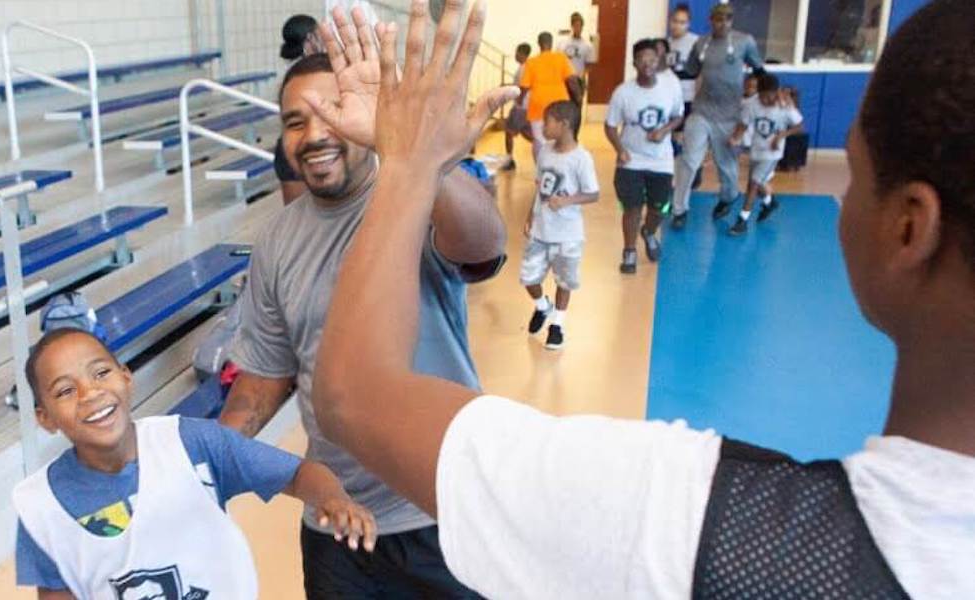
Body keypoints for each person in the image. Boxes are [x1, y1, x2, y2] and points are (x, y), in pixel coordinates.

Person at [312, 0, 974, 598]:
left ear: (909, 228)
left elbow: (354, 395)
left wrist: (408, 160)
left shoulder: (700, 530)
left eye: (855, 175)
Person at [217, 6, 507, 597]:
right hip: (337, 522)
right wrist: (203, 462)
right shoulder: (276, 240)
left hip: (439, 508)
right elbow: (266, 376)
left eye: (332, 112)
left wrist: (415, 157)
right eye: (295, 122)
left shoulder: (411, 195)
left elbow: (484, 243)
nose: (315, 134)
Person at [11, 328, 376, 599]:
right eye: (65, 390)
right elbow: (57, 593)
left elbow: (296, 473)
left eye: (101, 373)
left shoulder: (191, 443)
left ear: (126, 376)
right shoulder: (41, 508)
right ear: (45, 418)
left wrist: (333, 498)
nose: (90, 393)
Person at [670, 3, 764, 229]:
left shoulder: (744, 41)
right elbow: (690, 72)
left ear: (731, 21)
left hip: (729, 115)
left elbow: (760, 71)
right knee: (689, 161)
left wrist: (770, 95)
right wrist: (664, 72)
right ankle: (679, 210)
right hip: (701, 111)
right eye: (718, 19)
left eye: (727, 20)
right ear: (711, 20)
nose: (722, 24)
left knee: (726, 165)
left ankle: (728, 197)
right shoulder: (701, 44)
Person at [520, 100, 599, 350]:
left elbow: (593, 193)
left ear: (564, 125)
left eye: (548, 122)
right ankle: (543, 306)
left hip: (568, 234)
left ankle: (557, 325)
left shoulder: (581, 158)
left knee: (564, 281)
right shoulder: (545, 151)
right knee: (528, 278)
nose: (543, 127)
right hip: (541, 230)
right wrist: (530, 215)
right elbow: (539, 187)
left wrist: (567, 201)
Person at [606, 39, 684, 274]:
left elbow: (678, 116)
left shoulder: (670, 87)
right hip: (631, 159)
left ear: (658, 61)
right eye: (642, 59)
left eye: (652, 58)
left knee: (658, 209)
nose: (648, 63)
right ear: (635, 63)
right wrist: (620, 149)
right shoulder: (623, 92)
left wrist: (664, 131)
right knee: (632, 208)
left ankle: (649, 232)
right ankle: (629, 251)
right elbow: (610, 126)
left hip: (661, 160)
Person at [727, 73, 804, 236]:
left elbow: (799, 127)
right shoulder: (751, 105)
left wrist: (781, 135)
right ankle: (770, 202)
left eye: (770, 96)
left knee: (753, 184)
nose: (767, 100)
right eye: (763, 96)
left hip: (772, 154)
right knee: (758, 184)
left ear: (776, 93)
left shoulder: (785, 106)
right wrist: (735, 138)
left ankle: (742, 220)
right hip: (757, 150)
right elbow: (743, 124)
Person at [275, 14, 324, 205]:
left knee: (299, 215)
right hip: (302, 146)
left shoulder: (292, 70)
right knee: (301, 214)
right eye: (320, 34)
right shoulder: (305, 74)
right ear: (310, 39)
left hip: (291, 145)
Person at [520, 31, 575, 161]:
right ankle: (558, 165)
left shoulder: (531, 62)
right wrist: (576, 98)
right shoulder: (561, 58)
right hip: (559, 106)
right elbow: (571, 80)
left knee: (540, 140)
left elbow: (525, 87)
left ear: (539, 44)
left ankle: (541, 168)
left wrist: (519, 101)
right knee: (559, 139)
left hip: (538, 106)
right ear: (551, 43)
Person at [668, 2, 704, 191]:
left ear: (688, 24)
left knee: (690, 137)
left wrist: (699, 98)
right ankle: (674, 175)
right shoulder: (665, 43)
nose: (677, 25)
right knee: (674, 137)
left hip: (690, 98)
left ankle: (695, 171)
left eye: (682, 22)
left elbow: (702, 73)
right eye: (675, 21)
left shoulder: (696, 43)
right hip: (671, 99)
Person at [503, 43, 533, 171]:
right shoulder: (526, 67)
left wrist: (519, 100)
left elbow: (523, 87)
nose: (515, 55)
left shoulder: (523, 69)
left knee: (509, 131)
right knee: (527, 133)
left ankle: (509, 161)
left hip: (520, 107)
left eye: (517, 52)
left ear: (522, 53)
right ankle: (545, 148)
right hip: (526, 106)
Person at [557, 12, 597, 110]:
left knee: (577, 107)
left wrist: (583, 74)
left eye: (579, 26)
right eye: (575, 26)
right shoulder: (562, 44)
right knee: (563, 107)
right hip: (564, 80)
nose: (577, 28)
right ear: (572, 26)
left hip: (578, 80)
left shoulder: (587, 45)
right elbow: (557, 61)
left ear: (582, 27)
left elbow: (590, 64)